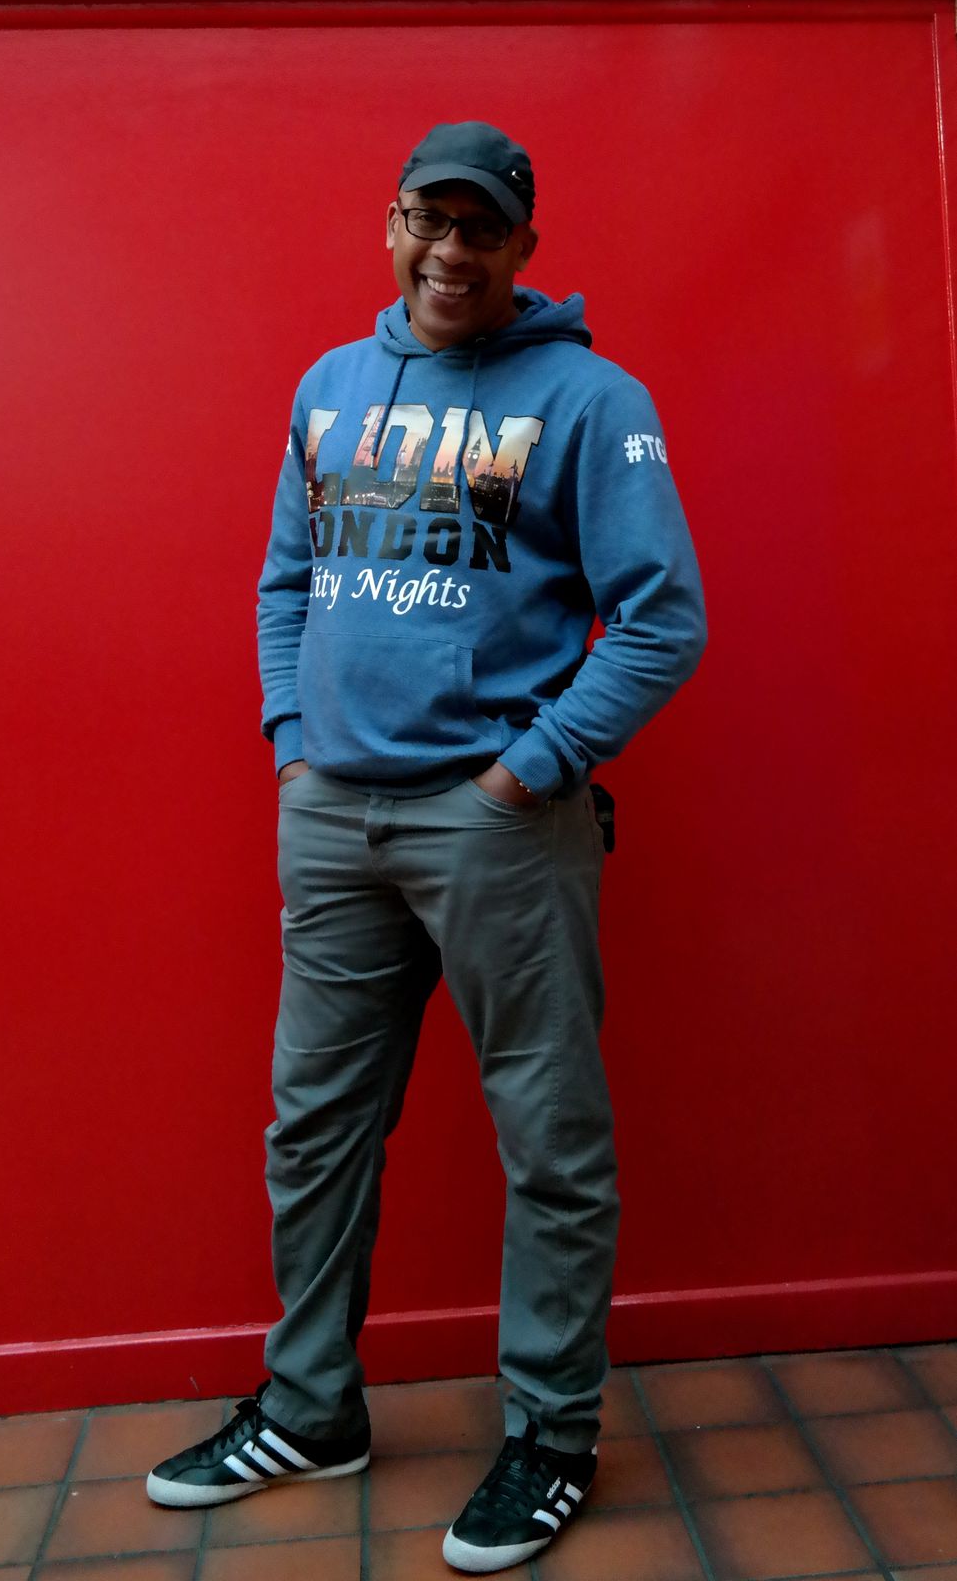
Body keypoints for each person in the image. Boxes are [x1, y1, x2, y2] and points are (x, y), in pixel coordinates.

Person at [146, 120, 707, 1574]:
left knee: (549, 1138)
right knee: (314, 1128)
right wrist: (292, 738)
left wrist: (528, 771)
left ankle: (551, 1436)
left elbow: (662, 618)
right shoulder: (330, 388)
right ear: (391, 225)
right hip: (333, 815)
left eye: (481, 229)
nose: (451, 252)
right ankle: (310, 1408)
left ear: (524, 249)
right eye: (428, 220)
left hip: (494, 823)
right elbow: (285, 580)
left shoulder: (591, 400)